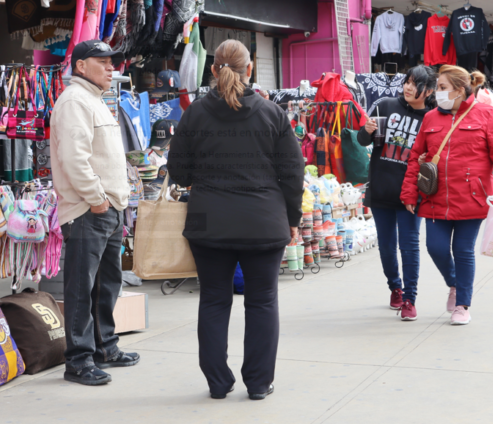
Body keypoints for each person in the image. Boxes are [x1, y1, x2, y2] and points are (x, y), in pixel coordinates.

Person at [167, 39, 304, 400]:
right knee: (262, 301)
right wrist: (293, 218)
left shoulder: (194, 113)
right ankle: (259, 384)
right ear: (251, 69)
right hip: (263, 221)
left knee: (213, 300)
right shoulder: (272, 114)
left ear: (213, 70)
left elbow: (179, 172)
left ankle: (217, 382)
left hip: (210, 219)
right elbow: (293, 173)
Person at [50, 40, 139, 386]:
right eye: (102, 62)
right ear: (81, 66)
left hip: (108, 208)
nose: (110, 67)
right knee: (81, 287)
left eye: (112, 62)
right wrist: (96, 198)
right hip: (89, 209)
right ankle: (78, 360)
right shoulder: (74, 101)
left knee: (107, 284)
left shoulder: (94, 100)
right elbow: (74, 159)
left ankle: (105, 347)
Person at [401, 66, 493, 325]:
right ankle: (454, 284)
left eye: (442, 88)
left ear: (460, 89)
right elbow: (415, 158)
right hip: (435, 197)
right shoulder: (430, 118)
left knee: (463, 250)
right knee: (435, 248)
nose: (437, 93)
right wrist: (409, 192)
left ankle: (462, 304)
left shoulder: (488, 114)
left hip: (473, 197)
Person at [357, 66, 436, 321]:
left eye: (416, 84)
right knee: (387, 246)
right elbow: (362, 141)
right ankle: (396, 287)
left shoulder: (432, 119)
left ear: (429, 91)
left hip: (411, 194)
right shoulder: (386, 105)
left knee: (410, 246)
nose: (409, 87)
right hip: (381, 187)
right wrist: (366, 130)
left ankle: (410, 299)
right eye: (408, 81)